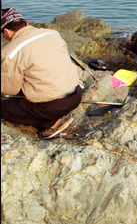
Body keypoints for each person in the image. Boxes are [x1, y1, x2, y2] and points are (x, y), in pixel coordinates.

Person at [1, 8, 82, 139]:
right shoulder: (52, 33)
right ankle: (57, 114)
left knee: (4, 108)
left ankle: (50, 122)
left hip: (52, 107)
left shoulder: (10, 52)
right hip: (76, 94)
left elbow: (9, 89)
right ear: (26, 24)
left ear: (6, 32)